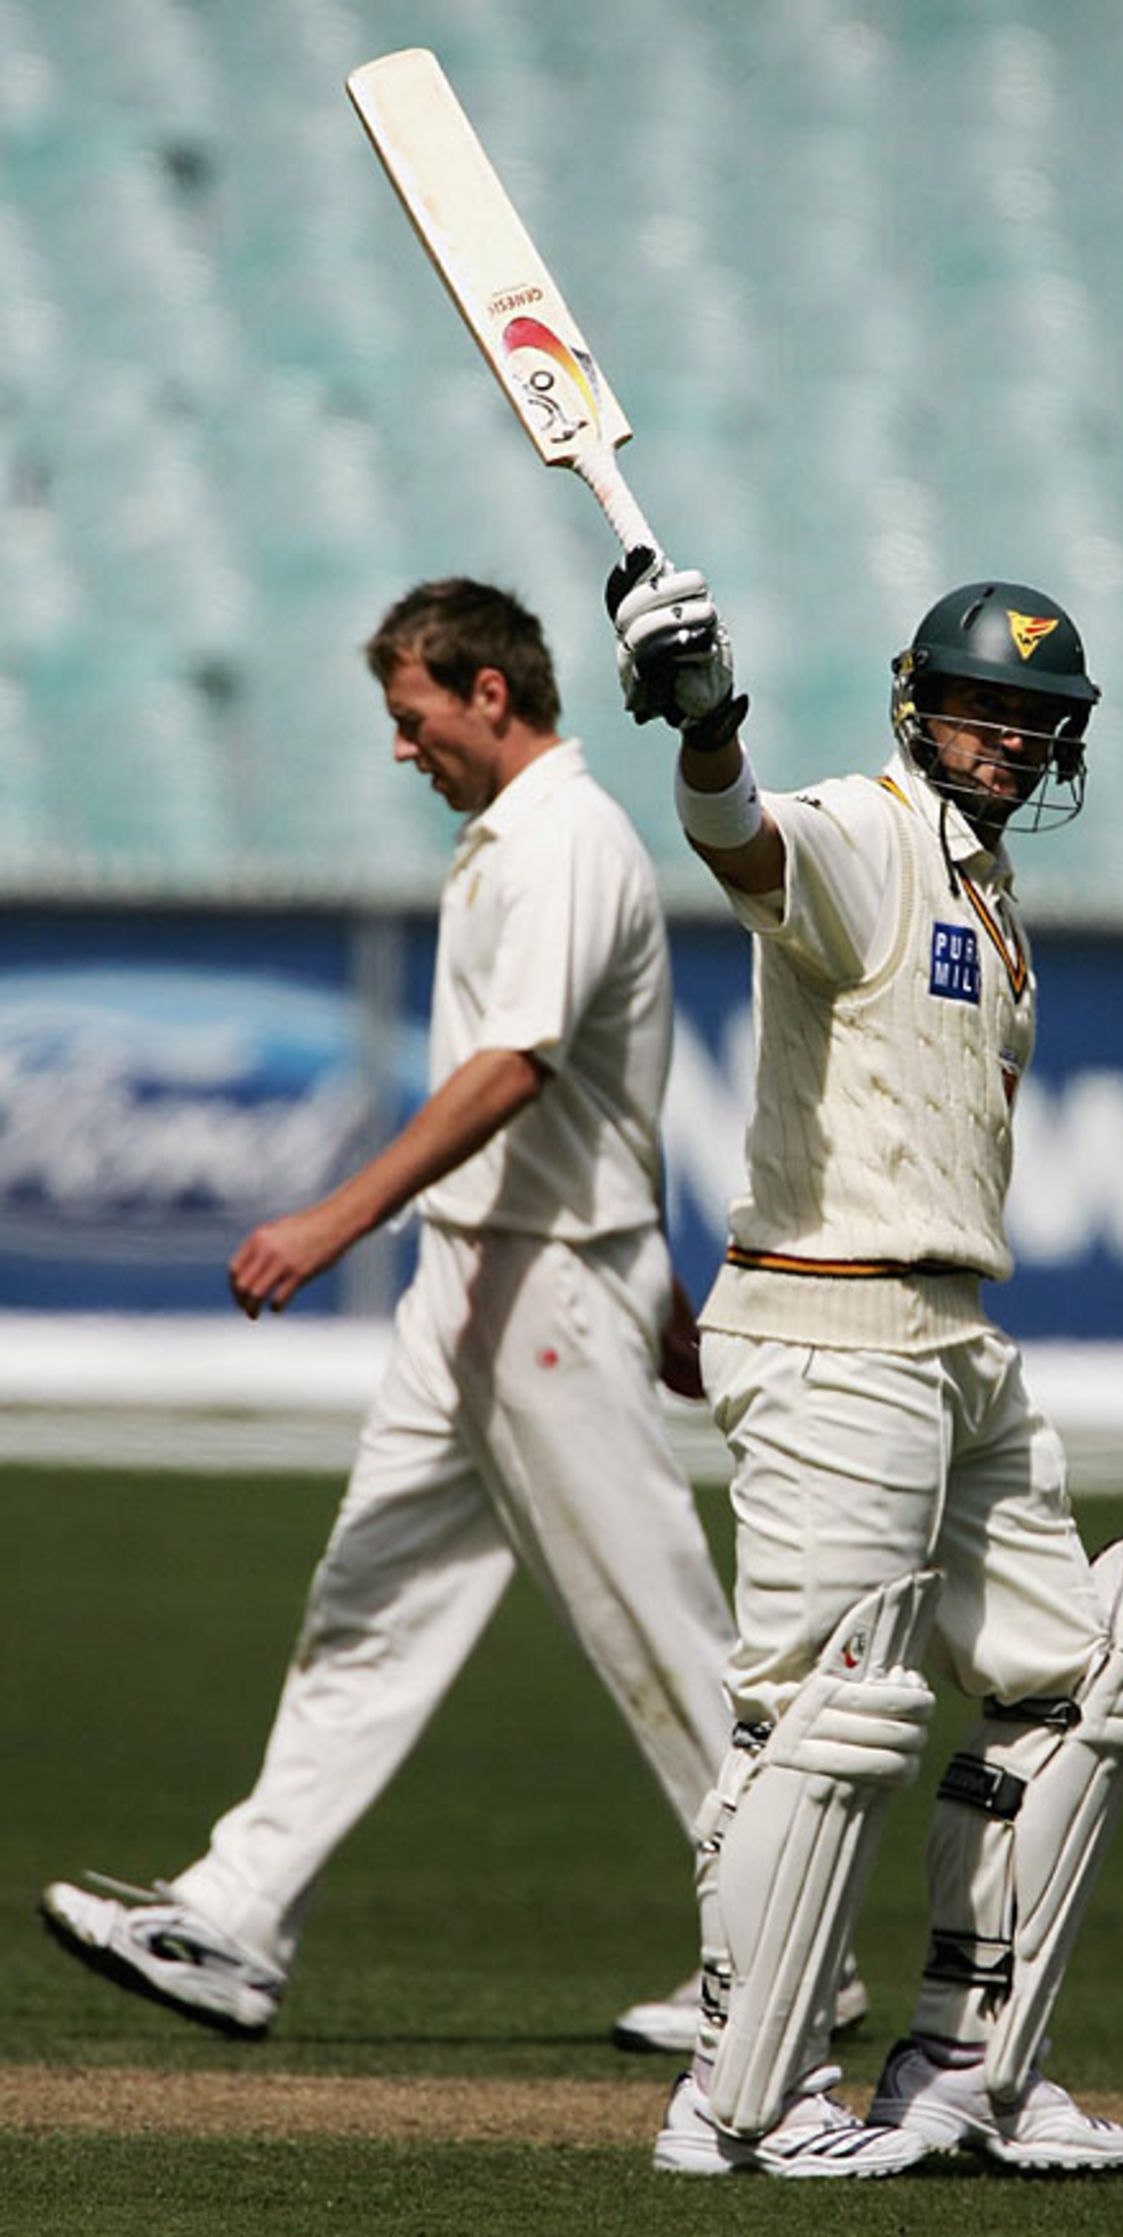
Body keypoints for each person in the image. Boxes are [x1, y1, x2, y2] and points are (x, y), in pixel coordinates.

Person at [39, 576, 777, 2056]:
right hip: (495, 1276)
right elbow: (608, 1101)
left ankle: (784, 1961)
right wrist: (665, 1285)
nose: (402, 746)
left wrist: (330, 1217)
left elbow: (519, 1070)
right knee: (369, 1597)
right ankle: (237, 1918)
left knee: (665, 1634)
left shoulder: (568, 835)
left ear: (488, 694)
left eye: (413, 714)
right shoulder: (518, 836)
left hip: (539, 1285)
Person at [604, 555, 1123, 2179]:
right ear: (919, 704)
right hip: (830, 1323)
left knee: (1087, 1679)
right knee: (826, 1716)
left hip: (956, 1341)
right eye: (982, 706)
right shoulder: (865, 832)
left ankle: (965, 2067)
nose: (1003, 738)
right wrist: (707, 726)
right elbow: (744, 839)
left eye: (1034, 720)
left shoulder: (993, 901)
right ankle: (746, 2096)